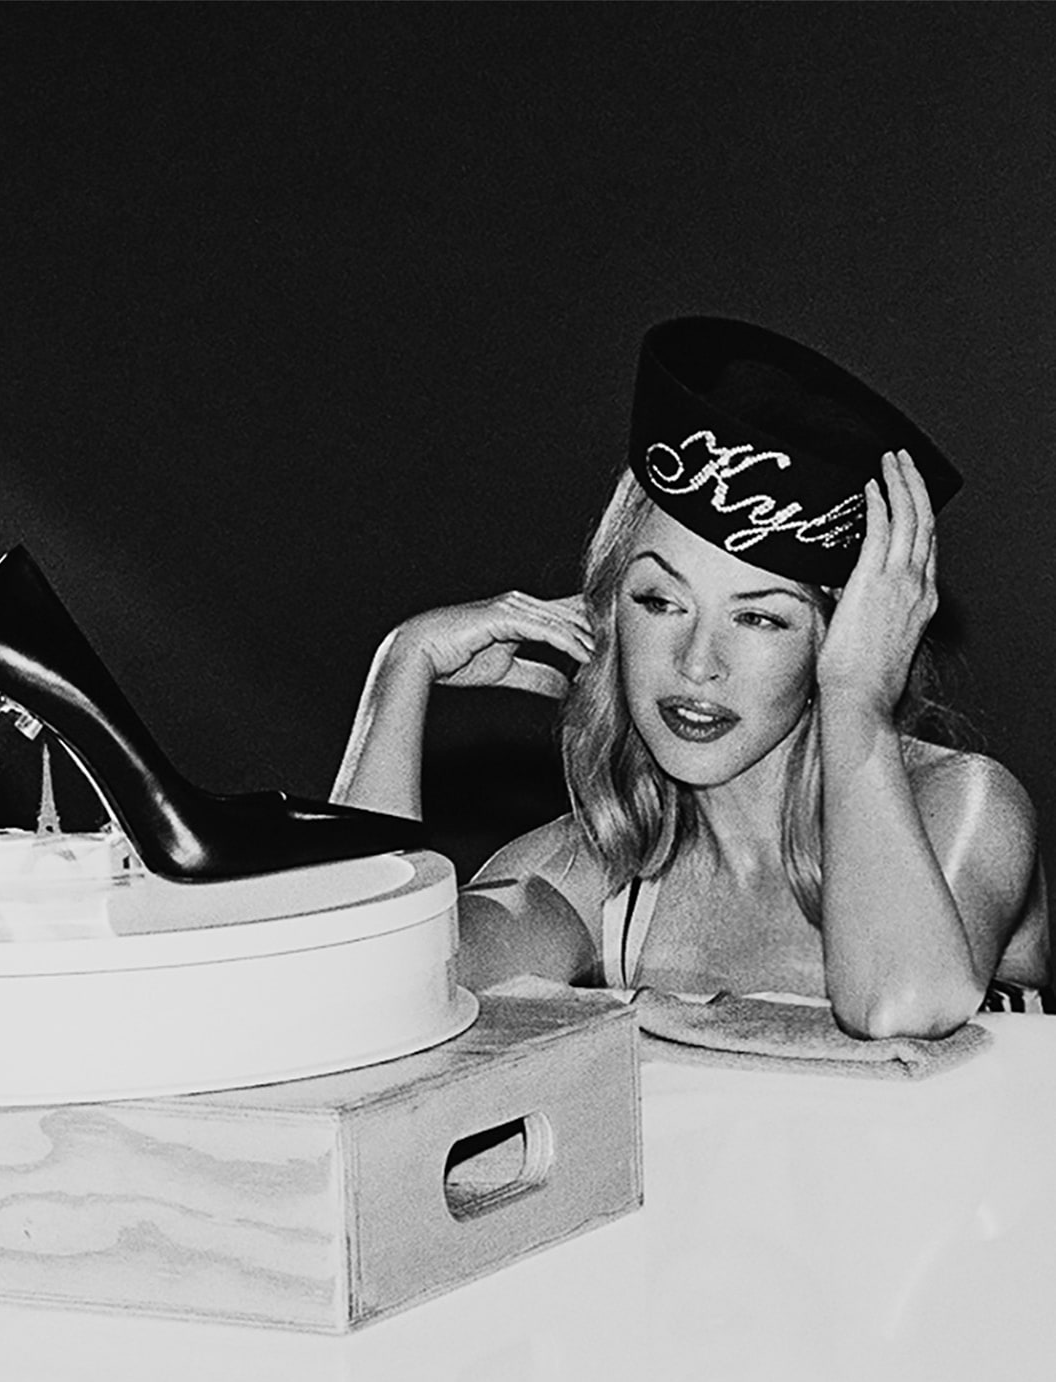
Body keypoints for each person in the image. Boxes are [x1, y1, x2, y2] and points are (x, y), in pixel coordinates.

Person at [332, 318, 1050, 1038]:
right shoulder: (596, 873)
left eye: (759, 617)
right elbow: (358, 993)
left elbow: (901, 1006)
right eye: (660, 602)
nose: (698, 662)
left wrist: (859, 698)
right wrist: (403, 666)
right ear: (610, 614)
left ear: (844, 640)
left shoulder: (961, 807)